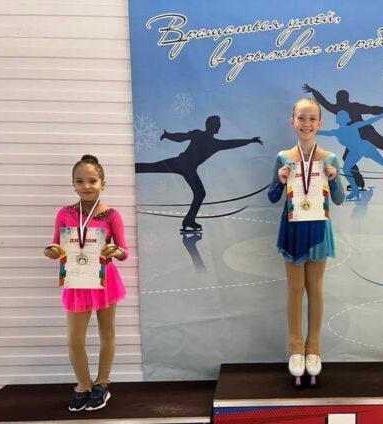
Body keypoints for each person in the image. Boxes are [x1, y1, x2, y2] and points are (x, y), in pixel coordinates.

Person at [268, 98, 345, 386]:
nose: (307, 123)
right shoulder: (284, 157)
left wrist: (333, 178)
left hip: (318, 230)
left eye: (312, 118)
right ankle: (295, 349)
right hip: (292, 230)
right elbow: (272, 196)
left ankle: (314, 349)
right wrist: (280, 180)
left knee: (315, 288)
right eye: (301, 117)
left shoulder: (330, 158)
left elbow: (339, 198)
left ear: (320, 123)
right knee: (295, 289)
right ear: (292, 121)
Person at [44, 154, 128, 412]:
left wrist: (117, 251)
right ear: (73, 185)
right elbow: (57, 244)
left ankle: (102, 384)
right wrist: (52, 251)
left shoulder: (112, 215)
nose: (86, 185)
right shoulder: (64, 213)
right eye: (79, 181)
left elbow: (124, 251)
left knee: (107, 332)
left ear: (103, 183)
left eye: (92, 180)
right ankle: (83, 384)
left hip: (104, 279)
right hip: (77, 279)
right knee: (74, 339)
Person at [135, 115, 263, 232]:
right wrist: (168, 135)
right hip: (181, 163)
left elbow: (231, 143)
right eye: (217, 124)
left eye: (219, 124)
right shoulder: (201, 136)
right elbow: (182, 137)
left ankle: (189, 220)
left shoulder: (215, 143)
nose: (219, 127)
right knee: (153, 167)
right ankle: (189, 220)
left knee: (200, 193)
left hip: (188, 168)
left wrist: (250, 141)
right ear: (210, 125)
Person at [303, 83, 383, 190]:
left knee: (380, 149)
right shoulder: (353, 106)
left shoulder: (337, 109)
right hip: (364, 134)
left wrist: (314, 91)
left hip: (359, 136)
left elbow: (324, 103)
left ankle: (359, 183)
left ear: (338, 99)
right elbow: (371, 109)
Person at [318, 108, 383, 201]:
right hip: (355, 152)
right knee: (346, 169)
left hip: (365, 147)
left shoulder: (353, 127)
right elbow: (320, 132)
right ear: (338, 119)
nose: (341, 119)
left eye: (343, 117)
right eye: (340, 117)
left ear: (347, 119)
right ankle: (355, 191)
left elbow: (369, 121)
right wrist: (309, 130)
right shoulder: (336, 132)